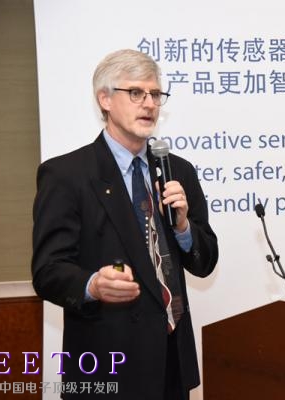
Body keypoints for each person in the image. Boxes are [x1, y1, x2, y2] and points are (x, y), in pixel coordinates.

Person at [31, 49, 219, 399]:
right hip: (109, 363)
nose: (149, 104)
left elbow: (205, 262)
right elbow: (48, 271)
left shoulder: (178, 170)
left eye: (155, 94)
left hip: (172, 364)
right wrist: (92, 285)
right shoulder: (66, 175)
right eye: (136, 93)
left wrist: (183, 229)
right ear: (104, 99)